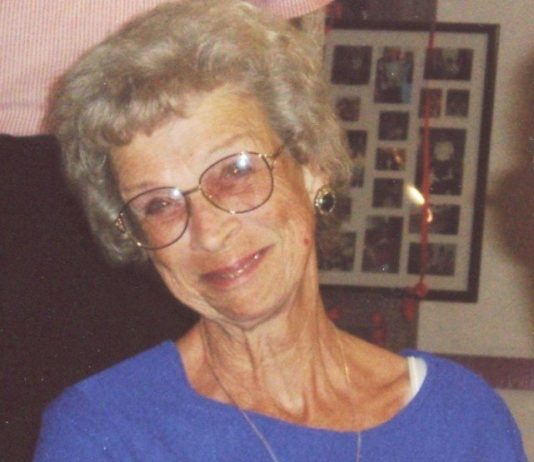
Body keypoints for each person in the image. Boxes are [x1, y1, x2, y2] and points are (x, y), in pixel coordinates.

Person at [33, 1, 527, 460]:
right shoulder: (105, 431)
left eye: (235, 171)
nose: (209, 233)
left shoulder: (461, 420)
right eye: (159, 204)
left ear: (311, 165)